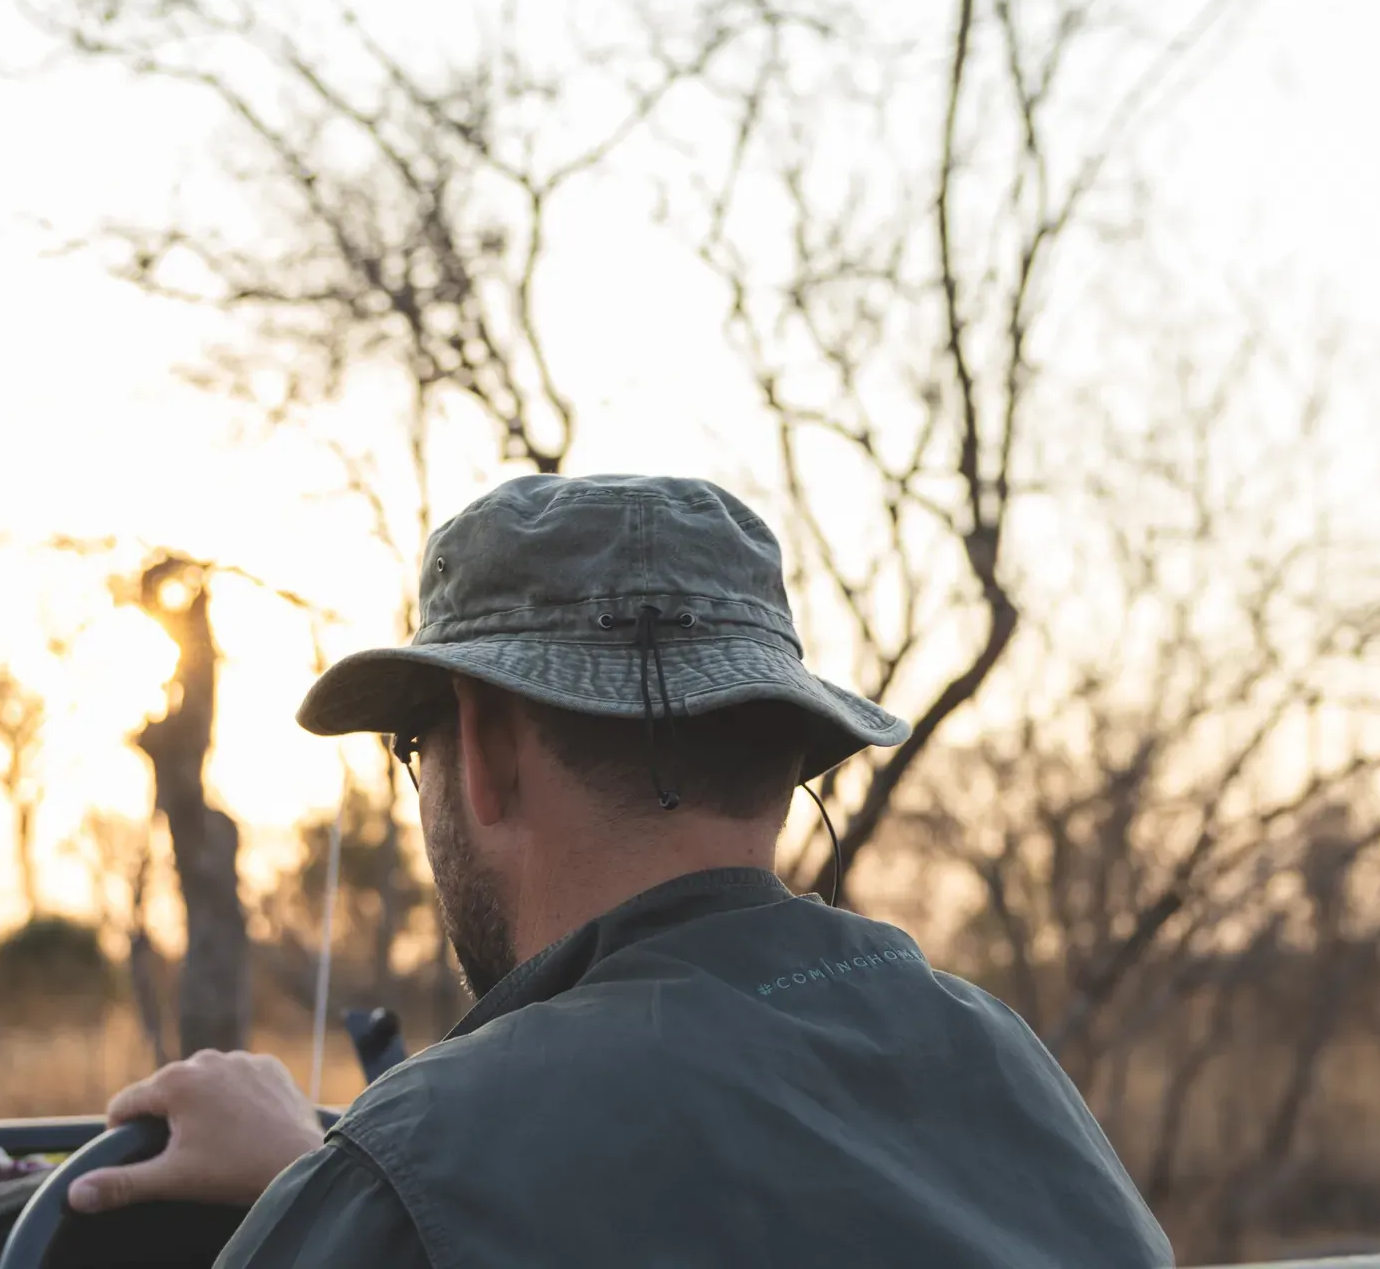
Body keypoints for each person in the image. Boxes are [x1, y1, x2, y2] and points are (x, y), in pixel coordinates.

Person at [65, 474, 1175, 1268]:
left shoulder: (421, 1167)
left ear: (486, 749)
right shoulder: (998, 1059)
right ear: (786, 759)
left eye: (414, 750)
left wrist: (346, 1189)